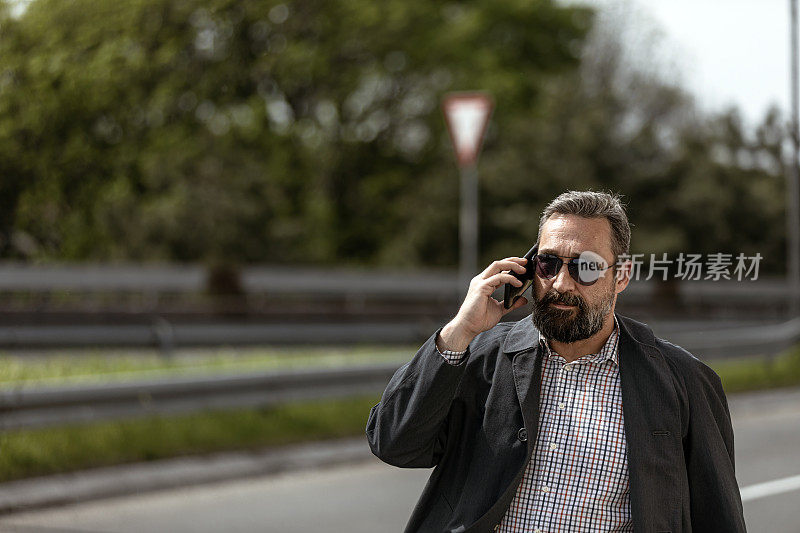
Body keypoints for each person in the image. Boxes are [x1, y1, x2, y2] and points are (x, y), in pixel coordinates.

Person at [366, 190, 746, 533]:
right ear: (528, 269)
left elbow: (718, 517)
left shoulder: (683, 380)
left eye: (587, 267)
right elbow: (394, 443)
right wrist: (460, 331)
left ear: (621, 277)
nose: (563, 283)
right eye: (548, 264)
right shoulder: (478, 357)